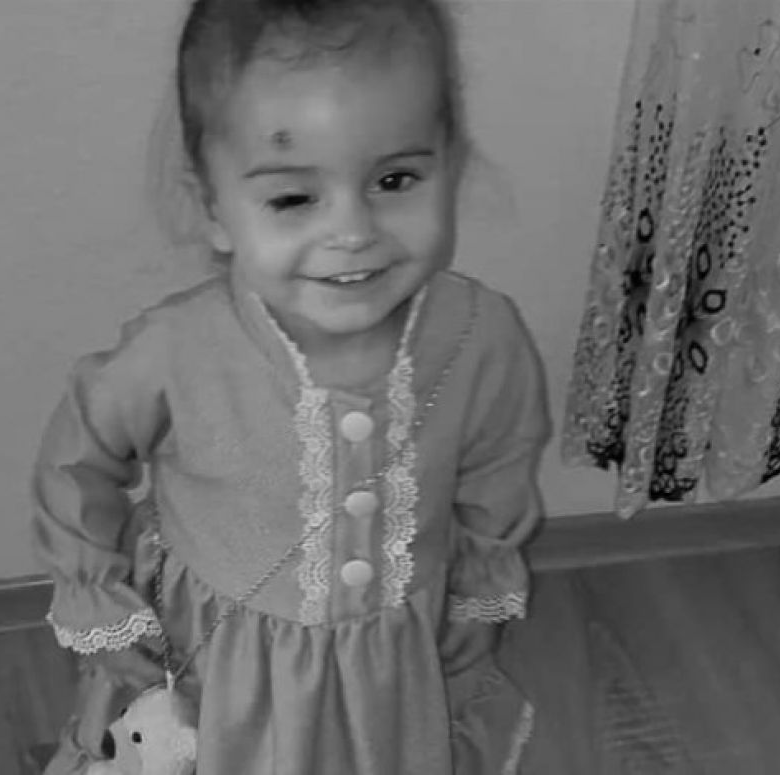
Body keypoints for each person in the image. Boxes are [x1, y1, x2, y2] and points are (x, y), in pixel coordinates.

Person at [33, 1, 551, 772]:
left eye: (395, 179)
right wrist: (97, 590)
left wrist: (479, 581)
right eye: (292, 197)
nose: (353, 231)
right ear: (213, 207)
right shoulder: (175, 350)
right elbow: (78, 457)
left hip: (391, 669)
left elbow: (496, 465)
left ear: (451, 165)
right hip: (223, 673)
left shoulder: (482, 335)